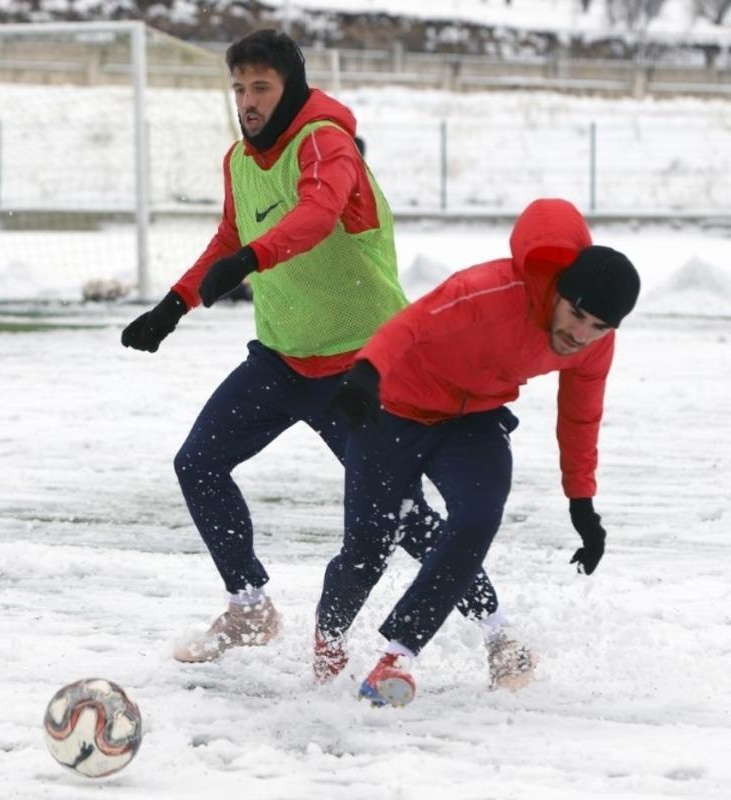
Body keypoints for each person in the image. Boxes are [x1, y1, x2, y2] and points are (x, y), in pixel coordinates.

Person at [120, 29, 512, 682]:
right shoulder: (238, 161)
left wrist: (251, 258)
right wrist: (174, 305)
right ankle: (248, 606)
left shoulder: (326, 143)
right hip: (280, 360)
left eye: (261, 87)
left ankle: (502, 635)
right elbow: (229, 234)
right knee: (199, 464)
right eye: (239, 88)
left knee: (407, 520)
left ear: (291, 87)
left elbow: (318, 213)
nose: (246, 101)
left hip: (363, 368)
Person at [321, 197, 640, 707]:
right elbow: (411, 325)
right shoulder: (488, 291)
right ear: (559, 292)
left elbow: (580, 417)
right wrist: (367, 372)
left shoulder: (593, 345)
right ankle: (328, 641)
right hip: (394, 410)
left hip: (473, 421)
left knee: (477, 517)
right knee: (365, 549)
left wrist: (582, 502)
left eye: (598, 327)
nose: (579, 335)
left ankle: (398, 656)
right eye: (576, 314)